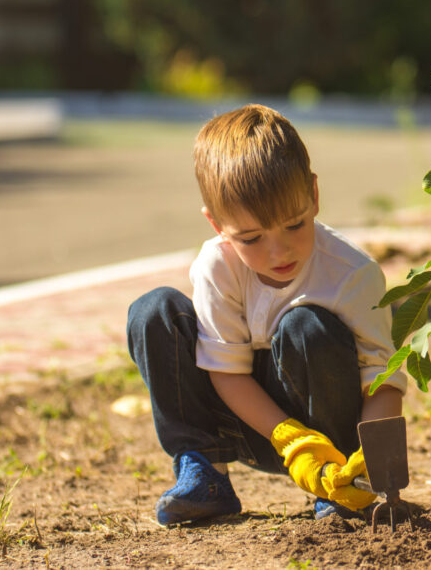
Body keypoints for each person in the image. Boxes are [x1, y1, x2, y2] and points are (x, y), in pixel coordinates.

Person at [127, 104, 406, 526]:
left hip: (328, 443)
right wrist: (290, 440)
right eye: (252, 237)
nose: (279, 252)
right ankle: (205, 474)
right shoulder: (217, 266)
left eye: (295, 225)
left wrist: (372, 458)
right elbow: (227, 372)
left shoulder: (352, 275)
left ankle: (338, 490)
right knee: (153, 311)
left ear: (314, 195)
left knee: (306, 326)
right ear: (217, 224)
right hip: (249, 428)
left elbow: (382, 380)